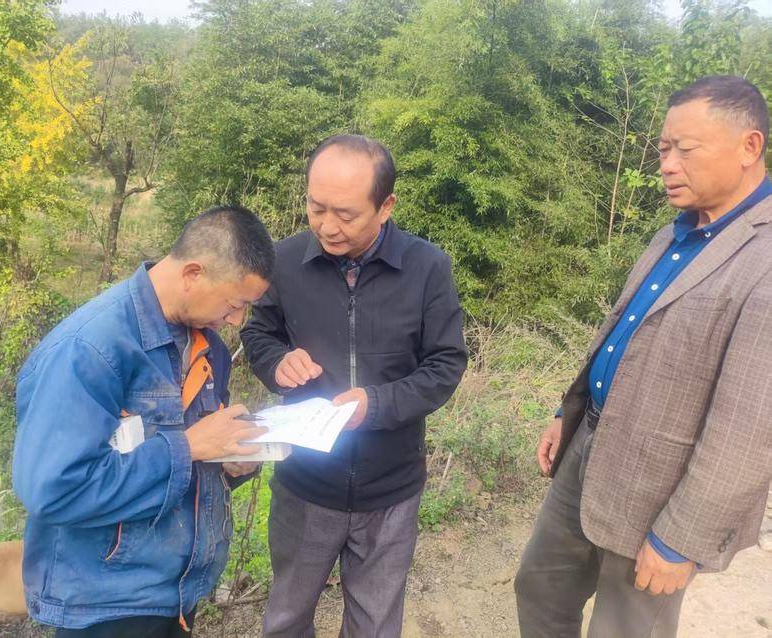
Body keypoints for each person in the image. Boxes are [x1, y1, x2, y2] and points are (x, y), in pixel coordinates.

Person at [515, 75, 772, 638]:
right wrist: (567, 412)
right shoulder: (673, 234)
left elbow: (749, 432)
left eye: (686, 149)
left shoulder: (765, 255)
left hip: (661, 489)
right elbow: (622, 335)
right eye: (663, 149)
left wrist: (682, 538)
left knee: (625, 630)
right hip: (589, 445)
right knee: (539, 587)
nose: (668, 165)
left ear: (749, 147)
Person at [240, 134, 468, 637]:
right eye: (316, 208)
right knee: (285, 618)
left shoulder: (427, 267)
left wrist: (377, 404)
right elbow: (258, 333)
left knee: (375, 625)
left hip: (390, 488)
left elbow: (445, 363)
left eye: (345, 214)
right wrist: (278, 362)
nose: (327, 226)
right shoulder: (285, 261)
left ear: (386, 206)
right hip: (305, 483)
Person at [12, 205, 274, 637]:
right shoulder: (90, 348)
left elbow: (190, 469)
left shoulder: (210, 350)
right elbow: (54, 491)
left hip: (177, 594)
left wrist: (229, 463)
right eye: (235, 304)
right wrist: (189, 447)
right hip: (105, 605)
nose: (236, 320)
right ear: (193, 273)